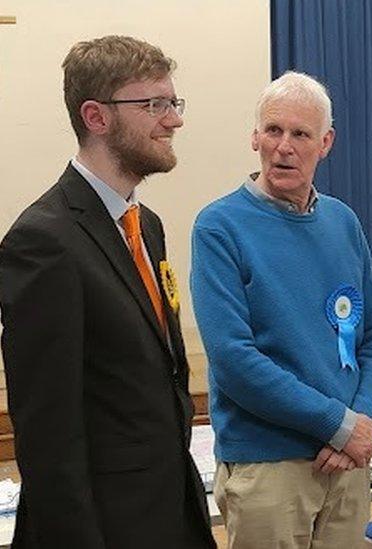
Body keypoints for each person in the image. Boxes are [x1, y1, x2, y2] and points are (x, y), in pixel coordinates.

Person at [0, 35, 215, 548]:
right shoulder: (43, 242)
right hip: (104, 528)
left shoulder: (148, 226)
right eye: (154, 105)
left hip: (168, 513)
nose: (174, 119)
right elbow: (49, 436)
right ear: (96, 117)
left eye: (173, 103)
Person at [190, 71, 372, 548]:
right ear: (254, 137)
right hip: (267, 467)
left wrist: (358, 425)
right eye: (273, 130)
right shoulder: (219, 227)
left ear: (326, 142)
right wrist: (339, 426)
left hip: (346, 463)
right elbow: (234, 361)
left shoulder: (343, 221)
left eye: (300, 134)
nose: (284, 146)